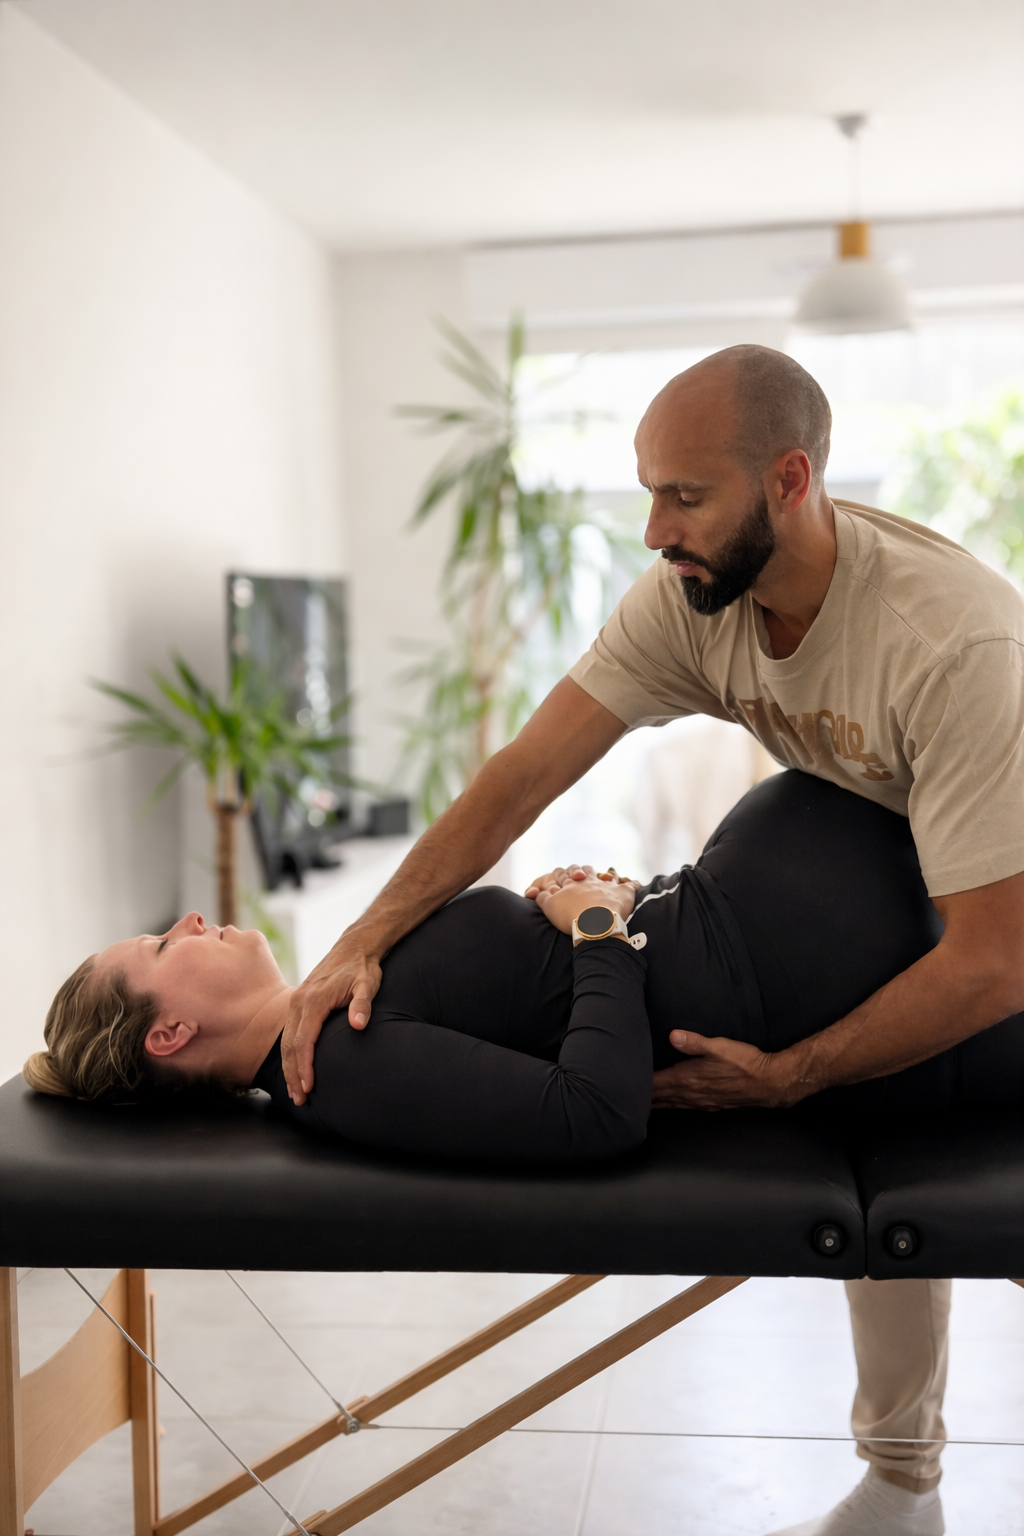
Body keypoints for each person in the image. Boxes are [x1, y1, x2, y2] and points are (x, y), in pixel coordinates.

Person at [272, 344, 1024, 1536]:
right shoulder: (691, 600)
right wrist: (358, 940)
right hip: (915, 907)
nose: (653, 529)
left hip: (1001, 928)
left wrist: (792, 1075)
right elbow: (521, 774)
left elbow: (993, 960)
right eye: (647, 492)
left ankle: (902, 1482)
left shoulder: (950, 642)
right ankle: (902, 1488)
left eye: (685, 496)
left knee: (931, 1134)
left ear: (789, 480)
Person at [28, 771, 1024, 1148]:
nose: (190, 920)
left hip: (797, 918)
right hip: (811, 961)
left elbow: (542, 993)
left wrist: (604, 903)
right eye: (162, 946)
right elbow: (593, 1111)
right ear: (169, 1033)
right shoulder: (337, 1069)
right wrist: (596, 926)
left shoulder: (336, 1008)